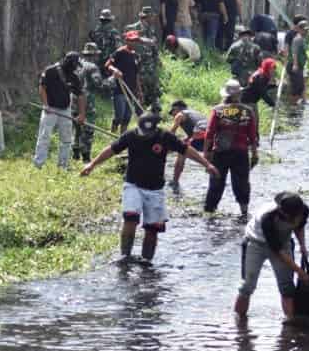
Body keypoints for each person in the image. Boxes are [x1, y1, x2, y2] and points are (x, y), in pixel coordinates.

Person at [82, 112, 218, 261]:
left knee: (152, 228)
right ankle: (124, 257)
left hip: (155, 190)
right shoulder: (131, 135)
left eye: (148, 133)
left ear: (154, 129)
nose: (145, 135)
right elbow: (111, 150)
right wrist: (92, 164)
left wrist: (207, 164)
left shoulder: (165, 136)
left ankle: (147, 263)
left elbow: (186, 150)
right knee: (131, 218)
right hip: (133, 185)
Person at [237, 191, 309, 320]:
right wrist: (300, 271)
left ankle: (290, 322)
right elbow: (278, 251)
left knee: (287, 287)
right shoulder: (267, 218)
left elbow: (299, 227)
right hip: (255, 243)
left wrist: (302, 245)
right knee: (248, 285)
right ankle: (239, 322)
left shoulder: (303, 210)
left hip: (284, 241)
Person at [204, 80, 259, 218]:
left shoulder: (218, 110)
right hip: (240, 153)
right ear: (239, 94)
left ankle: (209, 211)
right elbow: (252, 136)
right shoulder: (247, 111)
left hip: (220, 152)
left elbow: (210, 133)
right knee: (241, 182)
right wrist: (254, 154)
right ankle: (244, 211)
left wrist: (206, 154)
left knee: (216, 181)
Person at [35, 53, 86, 170]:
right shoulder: (50, 71)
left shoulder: (74, 76)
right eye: (74, 65)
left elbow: (81, 96)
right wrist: (45, 105)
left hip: (65, 110)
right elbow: (42, 87)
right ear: (68, 62)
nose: (75, 68)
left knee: (67, 139)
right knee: (44, 136)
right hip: (50, 109)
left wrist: (82, 114)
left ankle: (63, 165)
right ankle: (38, 164)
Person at [126, 7, 162, 110]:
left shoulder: (151, 28)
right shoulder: (133, 28)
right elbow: (129, 44)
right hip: (138, 62)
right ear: (146, 17)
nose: (153, 18)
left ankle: (155, 106)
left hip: (150, 62)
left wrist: (157, 58)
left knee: (153, 83)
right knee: (140, 85)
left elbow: (154, 45)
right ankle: (141, 108)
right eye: (152, 16)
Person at [105, 32, 143, 133]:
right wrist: (115, 70)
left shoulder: (136, 56)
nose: (134, 43)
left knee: (127, 117)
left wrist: (139, 91)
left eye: (136, 40)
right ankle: (112, 135)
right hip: (119, 88)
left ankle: (122, 139)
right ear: (126, 40)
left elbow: (137, 75)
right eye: (132, 40)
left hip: (131, 90)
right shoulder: (120, 52)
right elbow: (108, 64)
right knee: (119, 116)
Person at [74, 42, 105, 161]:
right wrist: (113, 80)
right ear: (94, 55)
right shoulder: (92, 67)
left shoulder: (77, 65)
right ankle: (86, 157)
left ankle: (75, 154)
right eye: (97, 55)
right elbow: (99, 84)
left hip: (73, 100)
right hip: (87, 101)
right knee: (88, 128)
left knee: (76, 127)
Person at [168, 100, 209, 187]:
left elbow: (171, 133)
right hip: (211, 138)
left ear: (177, 108)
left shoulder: (180, 114)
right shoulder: (196, 113)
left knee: (181, 151)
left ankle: (175, 181)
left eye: (172, 112)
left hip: (200, 136)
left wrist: (166, 144)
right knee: (212, 163)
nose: (172, 115)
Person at [287, 20, 309, 97]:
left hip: (300, 65)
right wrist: (295, 64)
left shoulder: (303, 39)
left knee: (300, 87)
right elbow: (294, 52)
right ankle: (293, 106)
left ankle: (296, 106)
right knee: (296, 88)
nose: (306, 32)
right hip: (295, 65)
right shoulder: (297, 39)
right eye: (304, 30)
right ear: (299, 29)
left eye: (307, 30)